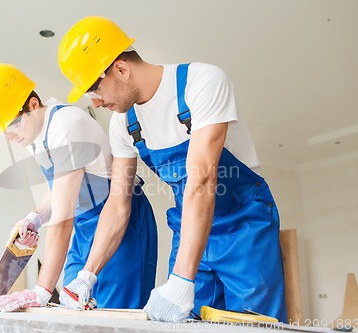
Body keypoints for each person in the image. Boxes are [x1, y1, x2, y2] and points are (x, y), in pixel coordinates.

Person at [57, 16, 287, 323]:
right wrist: (88, 274)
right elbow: (118, 203)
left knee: (253, 324)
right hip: (188, 226)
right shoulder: (124, 124)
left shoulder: (201, 82)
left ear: (121, 69)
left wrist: (181, 280)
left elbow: (202, 178)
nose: (95, 102)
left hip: (244, 227)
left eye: (92, 89)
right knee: (183, 323)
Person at [0, 63, 158, 311]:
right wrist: (35, 217)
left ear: (33, 106)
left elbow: (62, 216)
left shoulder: (65, 126)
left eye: (12, 126)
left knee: (114, 319)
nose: (11, 137)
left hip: (121, 224)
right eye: (3, 131)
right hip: (84, 227)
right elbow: (60, 192)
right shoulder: (36, 137)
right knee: (72, 313)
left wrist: (41, 291)